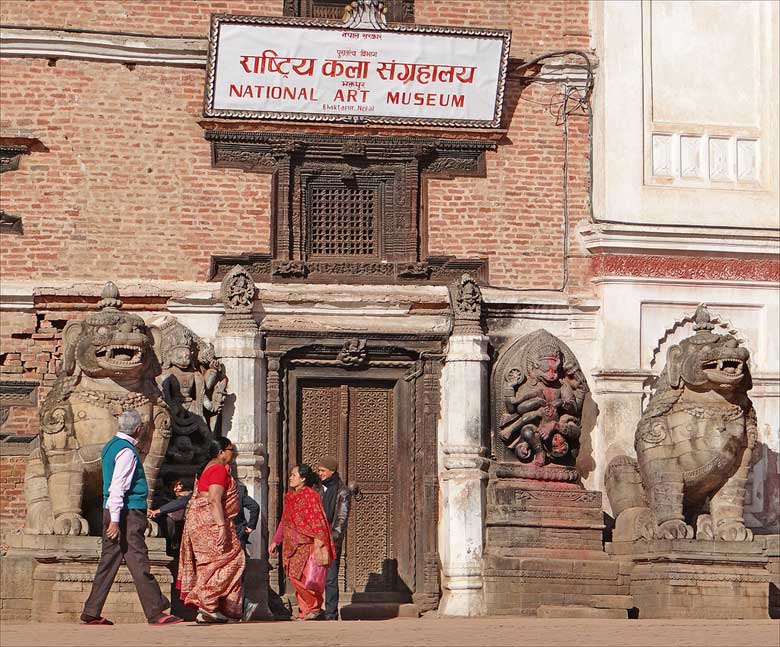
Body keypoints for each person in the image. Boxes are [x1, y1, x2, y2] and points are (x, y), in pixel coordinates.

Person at [80, 410, 182, 626]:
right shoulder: (127, 452)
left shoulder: (110, 445)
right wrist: (116, 521)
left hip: (113, 510)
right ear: (139, 430)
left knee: (108, 561)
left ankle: (91, 610)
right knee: (138, 560)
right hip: (126, 513)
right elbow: (118, 487)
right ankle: (155, 611)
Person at [177, 437, 246, 623]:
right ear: (221, 452)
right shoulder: (217, 470)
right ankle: (205, 599)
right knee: (234, 560)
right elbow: (214, 499)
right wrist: (222, 526)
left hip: (200, 523)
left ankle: (218, 609)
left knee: (211, 565)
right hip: (211, 523)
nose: (234, 454)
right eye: (231, 449)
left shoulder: (207, 468)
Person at [269, 464, 336, 621]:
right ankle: (306, 610)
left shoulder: (311, 496)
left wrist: (320, 542)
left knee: (307, 579)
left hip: (308, 544)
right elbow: (284, 521)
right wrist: (275, 541)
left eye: (293, 475)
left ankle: (313, 608)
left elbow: (317, 519)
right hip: (291, 546)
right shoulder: (290, 497)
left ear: (303, 478)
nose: (290, 478)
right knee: (294, 578)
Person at [316, 456, 351, 621]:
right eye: (319, 470)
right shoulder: (318, 488)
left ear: (332, 471)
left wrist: (332, 537)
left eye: (323, 470)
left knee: (330, 577)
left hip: (331, 538)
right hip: (316, 536)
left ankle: (331, 612)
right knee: (313, 575)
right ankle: (313, 609)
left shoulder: (341, 491)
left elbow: (341, 519)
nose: (320, 473)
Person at [234, 481, 260, 551]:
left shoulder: (211, 491)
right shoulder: (239, 490)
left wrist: (250, 527)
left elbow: (255, 507)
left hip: (222, 533)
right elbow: (255, 507)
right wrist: (251, 526)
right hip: (238, 531)